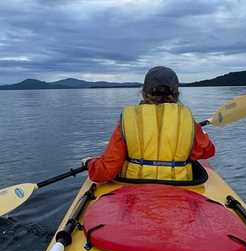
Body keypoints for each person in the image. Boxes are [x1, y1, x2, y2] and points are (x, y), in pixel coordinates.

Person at [83, 66, 215, 184]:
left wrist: (89, 163)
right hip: (179, 185)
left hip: (134, 185)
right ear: (177, 94)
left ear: (144, 92)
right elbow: (208, 151)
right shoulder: (188, 121)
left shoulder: (128, 120)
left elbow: (105, 172)